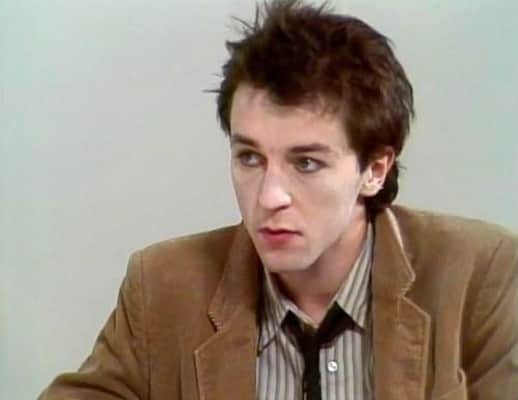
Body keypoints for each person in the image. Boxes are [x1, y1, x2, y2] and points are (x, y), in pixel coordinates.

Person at [40, 0, 517, 399]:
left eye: (306, 163)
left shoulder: (479, 275)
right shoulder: (163, 287)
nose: (269, 197)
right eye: (250, 157)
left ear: (375, 170)